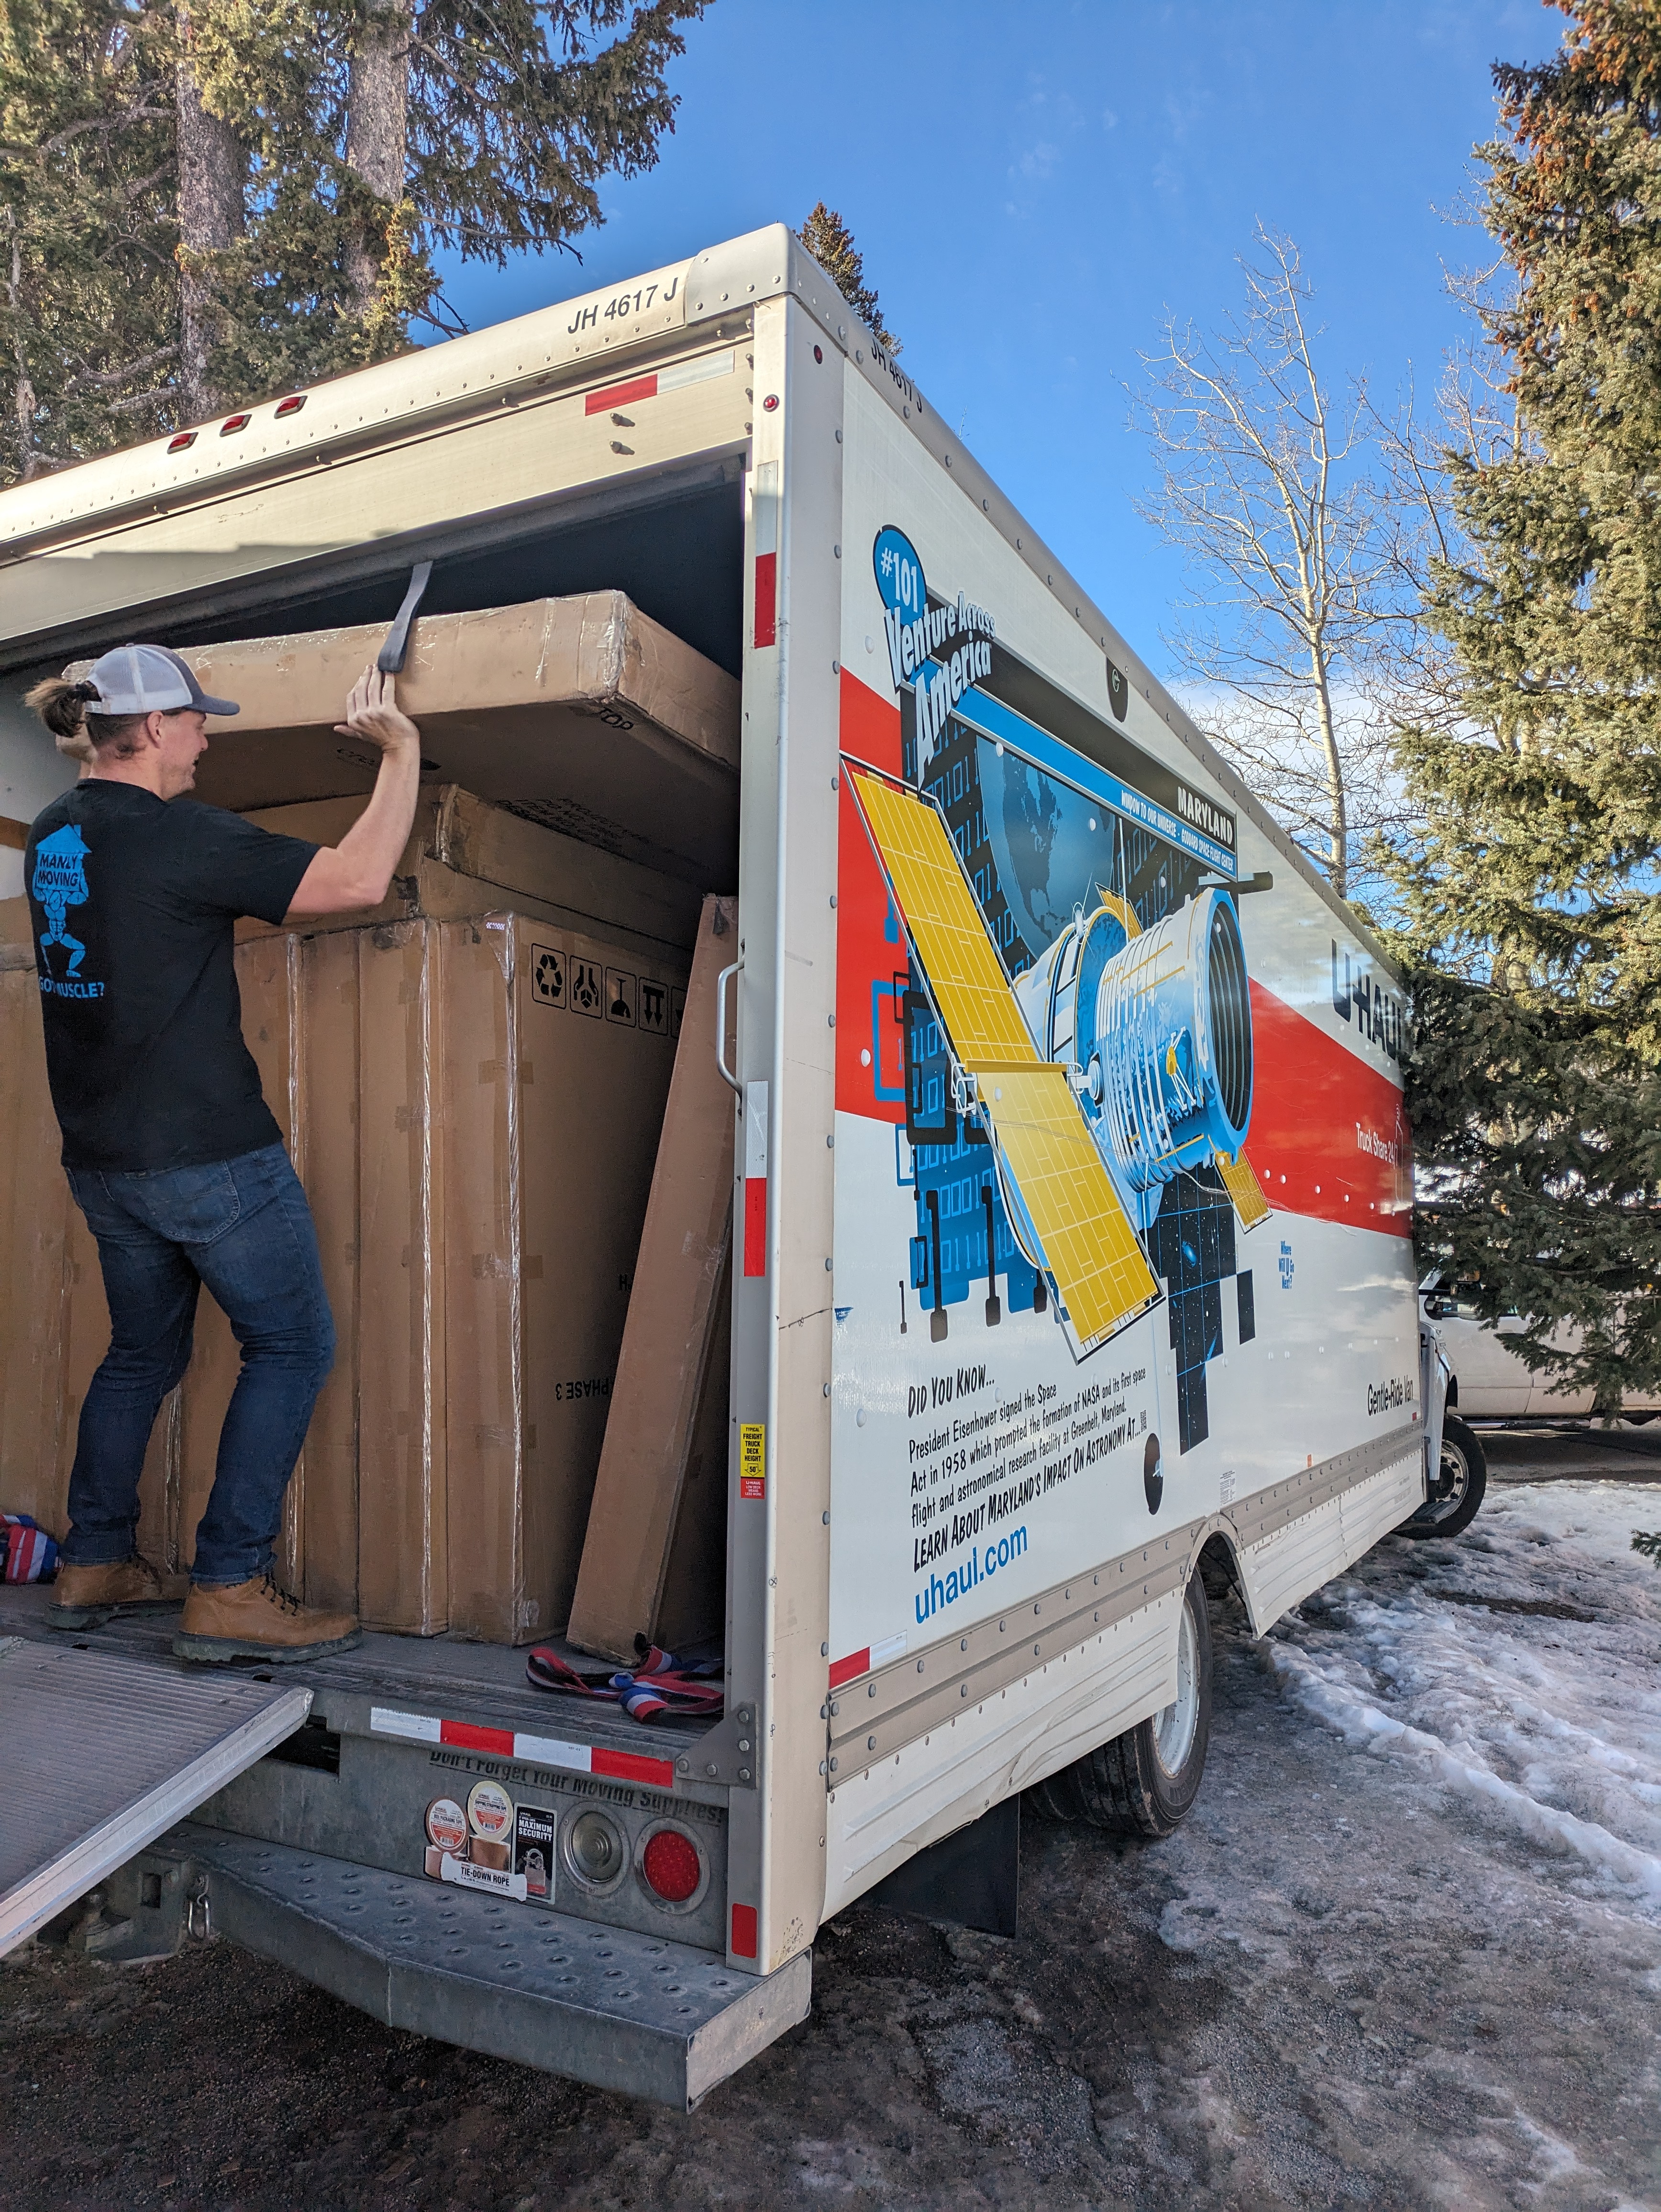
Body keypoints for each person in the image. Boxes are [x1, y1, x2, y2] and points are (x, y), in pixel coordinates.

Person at [23, 642, 422, 1662]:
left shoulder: (55, 835)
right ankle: (229, 1585)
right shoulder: (181, 839)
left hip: (104, 1162)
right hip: (210, 1160)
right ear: (152, 728)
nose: (208, 737)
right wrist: (399, 753)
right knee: (292, 1346)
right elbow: (360, 878)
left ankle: (94, 1561)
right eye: (198, 720)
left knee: (141, 1354)